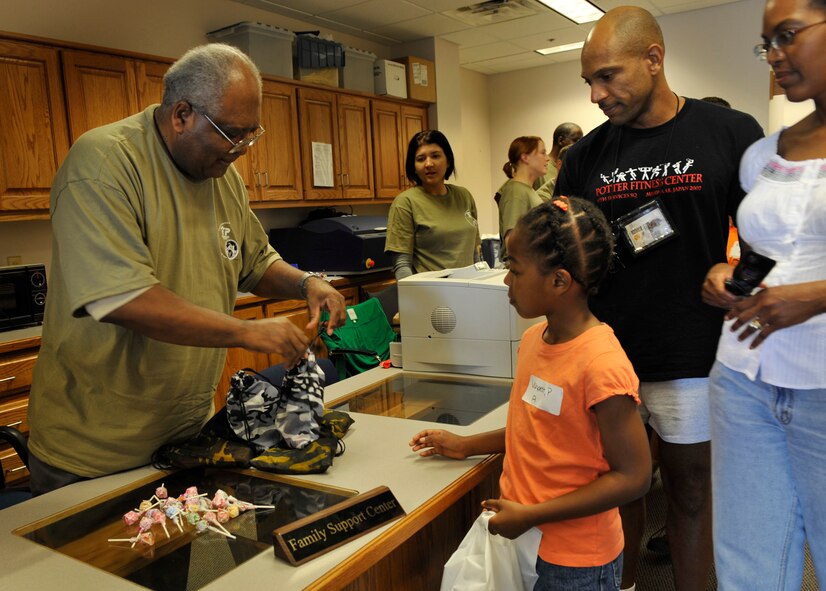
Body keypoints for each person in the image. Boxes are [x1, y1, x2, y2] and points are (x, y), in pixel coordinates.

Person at [26, 43, 346, 495]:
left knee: (202, 563)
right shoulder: (103, 163)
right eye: (231, 133)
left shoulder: (222, 175)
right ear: (181, 115)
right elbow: (124, 298)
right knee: (103, 567)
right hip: (97, 454)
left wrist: (306, 283)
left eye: (251, 135)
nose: (241, 150)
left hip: (188, 440)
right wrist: (246, 332)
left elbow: (253, 260)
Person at [554, 7, 764, 591]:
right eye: (588, 82)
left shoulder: (729, 132)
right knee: (621, 491)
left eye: (608, 76)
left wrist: (738, 272)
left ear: (654, 59)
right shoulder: (584, 158)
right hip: (606, 357)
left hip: (691, 353)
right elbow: (565, 252)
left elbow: (768, 239)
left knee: (690, 494)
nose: (597, 95)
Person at [411, 197, 650, 590]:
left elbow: (634, 476)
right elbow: (537, 435)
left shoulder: (602, 364)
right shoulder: (532, 340)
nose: (506, 280)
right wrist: (466, 445)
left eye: (514, 270)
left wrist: (532, 514)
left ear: (558, 281)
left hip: (577, 560)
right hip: (526, 540)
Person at [701, 0, 826, 586]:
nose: (774, 54)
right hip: (742, 378)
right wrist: (726, 277)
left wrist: (816, 296)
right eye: (765, 43)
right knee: (747, 563)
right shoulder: (764, 153)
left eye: (787, 35)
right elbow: (758, 251)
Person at [385, 130, 481, 280]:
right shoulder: (405, 203)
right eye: (421, 159)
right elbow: (402, 265)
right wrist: (415, 299)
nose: (429, 164)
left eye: (435, 156)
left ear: (448, 160)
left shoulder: (464, 196)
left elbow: (474, 253)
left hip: (469, 289)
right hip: (432, 296)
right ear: (414, 167)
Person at [495, 136, 549, 261]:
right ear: (525, 157)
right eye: (542, 153)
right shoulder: (516, 191)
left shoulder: (527, 190)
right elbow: (511, 241)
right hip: (524, 271)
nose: (547, 158)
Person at [535, 122, 583, 197]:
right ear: (560, 141)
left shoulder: (575, 167)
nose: (579, 145)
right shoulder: (541, 167)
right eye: (576, 140)